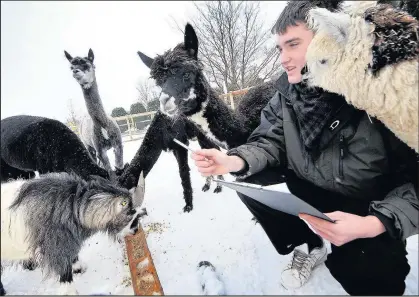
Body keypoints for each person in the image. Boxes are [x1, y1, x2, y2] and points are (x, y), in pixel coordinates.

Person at [191, 1, 418, 295]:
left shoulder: (383, 94)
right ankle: (307, 244)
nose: (283, 59)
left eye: (293, 45)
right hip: (310, 185)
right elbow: (270, 140)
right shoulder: (287, 93)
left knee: (371, 278)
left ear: (328, 38)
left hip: (365, 204)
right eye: (279, 49)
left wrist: (373, 224)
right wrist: (233, 161)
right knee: (248, 179)